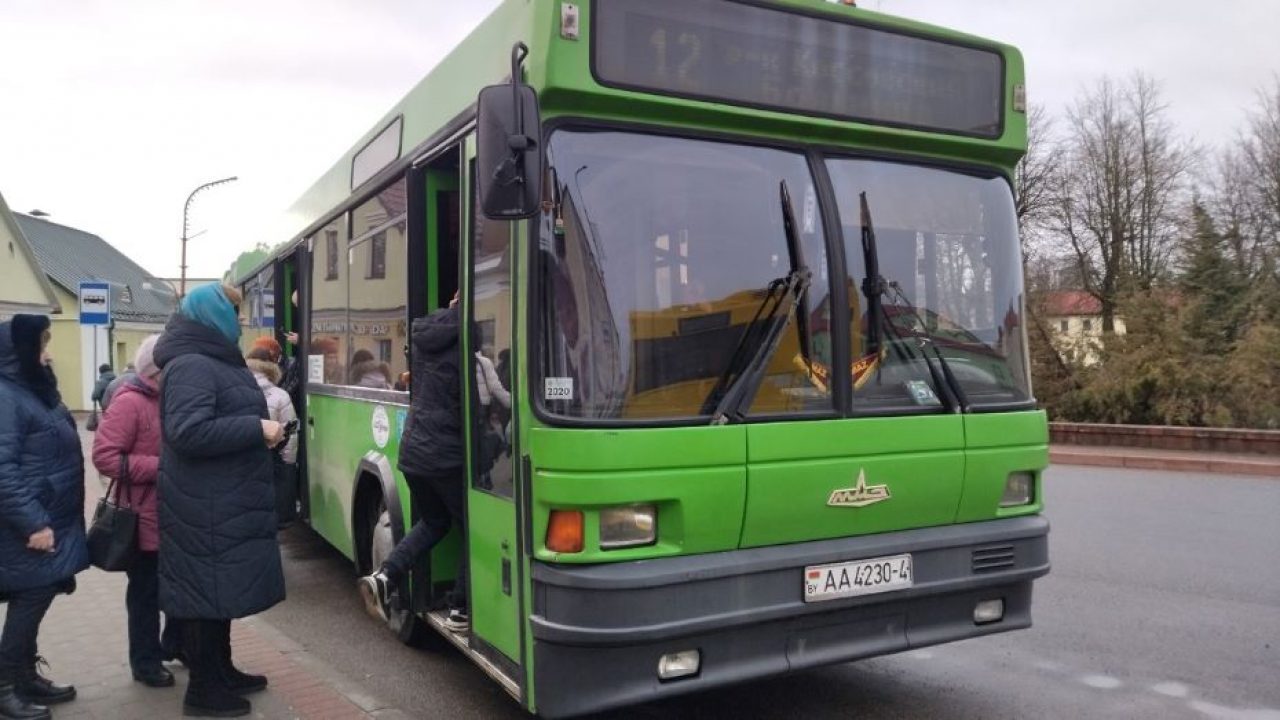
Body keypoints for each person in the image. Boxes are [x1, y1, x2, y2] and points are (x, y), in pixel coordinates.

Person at [153, 284, 287, 718]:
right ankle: (204, 690)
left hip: (219, 499)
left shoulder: (211, 357)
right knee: (205, 597)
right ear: (213, 313)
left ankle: (222, 670)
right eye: (233, 309)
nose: (240, 317)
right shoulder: (192, 363)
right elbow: (187, 432)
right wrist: (255, 428)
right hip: (203, 506)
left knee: (220, 594)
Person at [359, 294, 468, 632]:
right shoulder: (467, 338)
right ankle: (461, 610)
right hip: (446, 454)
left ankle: (386, 574)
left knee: (434, 522)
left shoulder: (424, 338)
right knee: (473, 526)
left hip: (415, 451)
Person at [0, 314, 89, 720]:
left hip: (50, 516)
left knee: (39, 592)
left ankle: (23, 675)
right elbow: (3, 469)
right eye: (40, 346)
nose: (48, 353)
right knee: (30, 597)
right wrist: (33, 523)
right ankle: (5, 686)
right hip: (26, 525)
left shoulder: (29, 390)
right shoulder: (6, 396)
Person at [90, 335, 179, 689]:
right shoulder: (130, 403)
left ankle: (173, 646)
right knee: (144, 593)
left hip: (171, 514)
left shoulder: (166, 399)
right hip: (141, 517)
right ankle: (145, 661)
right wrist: (159, 467)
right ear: (155, 371)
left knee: (173, 588)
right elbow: (104, 456)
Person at [246, 348, 299, 527]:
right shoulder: (280, 395)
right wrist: (288, 463)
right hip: (272, 458)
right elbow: (290, 432)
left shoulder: (236, 391)